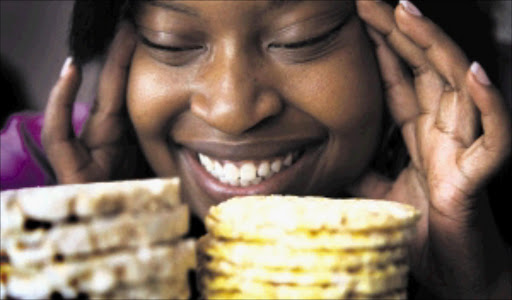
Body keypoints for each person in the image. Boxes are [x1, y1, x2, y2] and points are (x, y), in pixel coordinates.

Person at [1, 0, 510, 298]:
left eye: (298, 39)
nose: (231, 109)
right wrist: (90, 273)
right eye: (172, 41)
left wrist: (474, 287)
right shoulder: (27, 188)